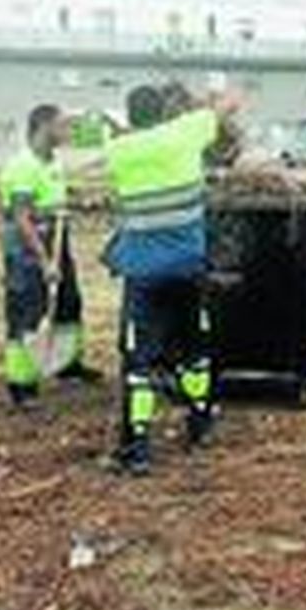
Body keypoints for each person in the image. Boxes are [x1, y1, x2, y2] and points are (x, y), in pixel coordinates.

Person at [101, 82, 228, 476]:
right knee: (193, 349)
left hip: (144, 273)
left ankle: (137, 447)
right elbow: (229, 105)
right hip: (188, 267)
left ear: (130, 115)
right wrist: (209, 100)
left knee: (139, 361)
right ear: (166, 112)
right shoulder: (186, 132)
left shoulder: (118, 151)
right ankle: (200, 422)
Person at [0, 103, 101, 407]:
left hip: (57, 242)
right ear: (44, 126)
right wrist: (44, 261)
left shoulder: (52, 162)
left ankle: (67, 363)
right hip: (29, 250)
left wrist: (81, 204)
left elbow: (53, 203)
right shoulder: (22, 166)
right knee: (27, 314)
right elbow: (22, 218)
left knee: (69, 305)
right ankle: (22, 385)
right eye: (63, 125)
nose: (68, 132)